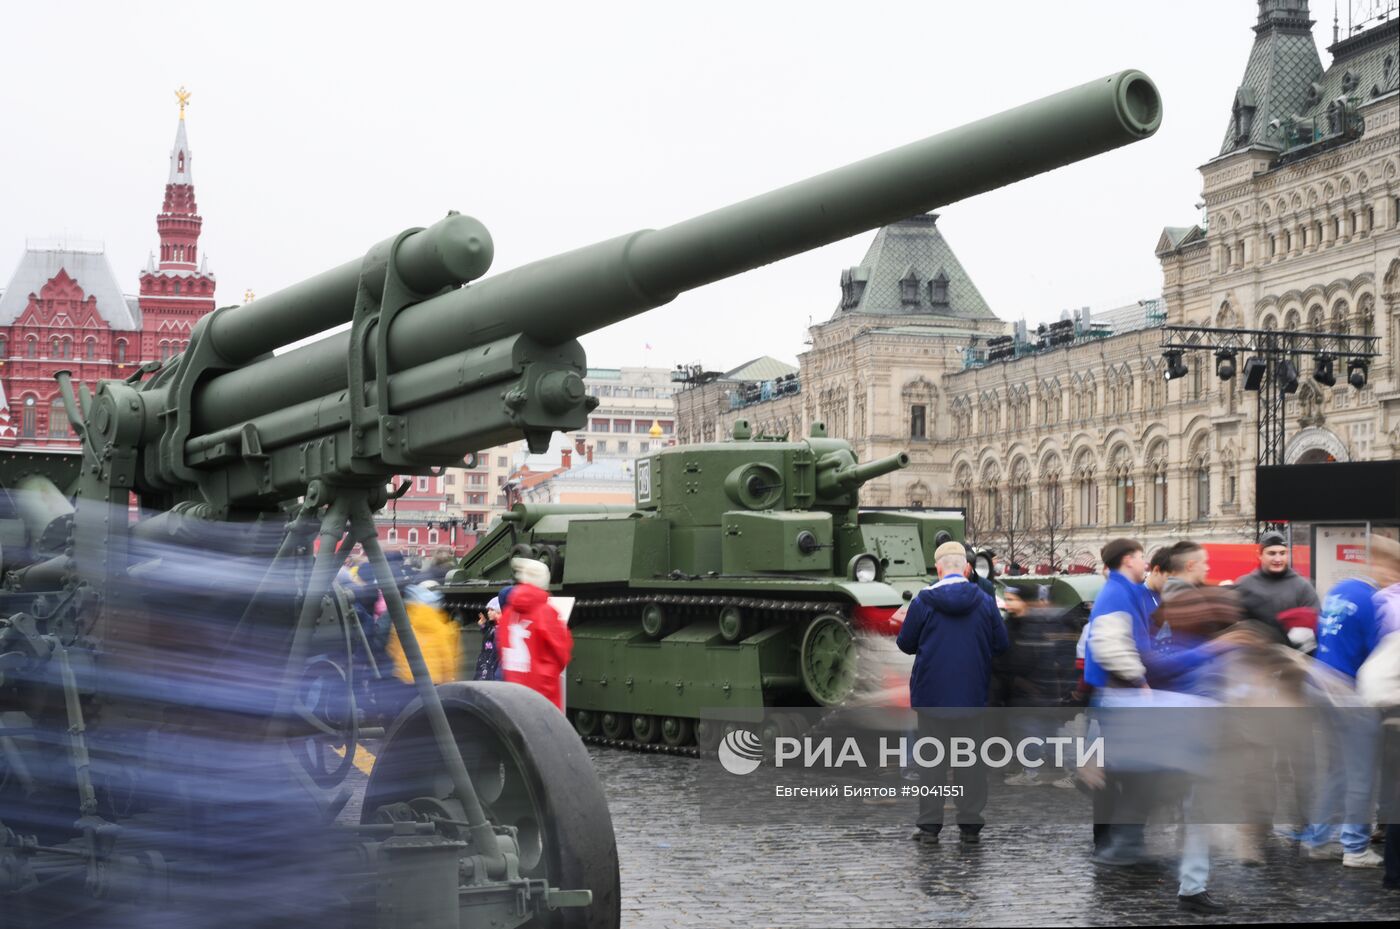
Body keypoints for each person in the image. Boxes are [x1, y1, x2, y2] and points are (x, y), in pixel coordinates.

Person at [896, 541, 1009, 844]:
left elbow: (905, 644)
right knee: (971, 763)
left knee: (931, 765)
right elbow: (1002, 644)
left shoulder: (923, 602)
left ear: (939, 568)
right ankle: (970, 827)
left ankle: (929, 827)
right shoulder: (985, 601)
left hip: (931, 696)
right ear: (967, 569)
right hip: (971, 695)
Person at [1299, 536, 1400, 869]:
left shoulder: (1340, 591)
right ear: (1388, 568)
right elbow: (1379, 657)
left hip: (1320, 682)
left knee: (1337, 770)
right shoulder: (1377, 602)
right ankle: (1355, 848)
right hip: (1348, 692)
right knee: (1361, 774)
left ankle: (1316, 838)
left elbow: (1320, 632)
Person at [1001, 583, 1081, 789]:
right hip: (1033, 689)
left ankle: (1037, 772)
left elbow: (1035, 657)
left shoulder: (1037, 623)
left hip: (1036, 689)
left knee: (1035, 732)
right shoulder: (1022, 622)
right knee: (1045, 731)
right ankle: (1060, 771)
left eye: (1012, 599)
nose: (1007, 604)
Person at [499, 558, 573, 710]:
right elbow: (562, 651)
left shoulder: (507, 612)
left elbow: (501, 647)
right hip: (542, 695)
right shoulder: (545, 612)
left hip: (513, 691)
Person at [1234, 531, 1318, 642]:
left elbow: (1316, 623)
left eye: (1282, 553)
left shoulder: (1302, 586)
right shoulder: (1245, 584)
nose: (1278, 559)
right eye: (1272, 553)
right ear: (1259, 555)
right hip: (1255, 655)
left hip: (1291, 656)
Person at [473, 593, 505, 682]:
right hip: (486, 659)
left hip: (491, 660)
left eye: (492, 610)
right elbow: (489, 636)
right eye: (488, 610)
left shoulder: (499, 628)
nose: (488, 612)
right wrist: (483, 625)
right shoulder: (493, 626)